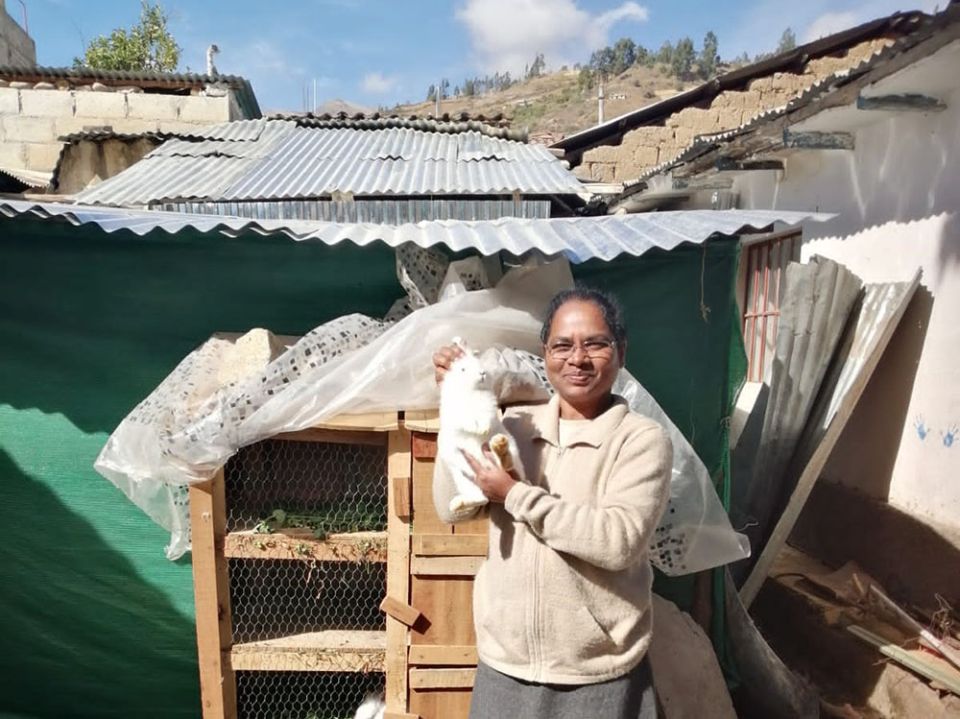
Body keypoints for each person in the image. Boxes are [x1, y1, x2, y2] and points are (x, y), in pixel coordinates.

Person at [432, 287, 673, 719]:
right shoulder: (515, 427)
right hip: (506, 664)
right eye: (562, 345)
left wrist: (515, 495)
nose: (577, 359)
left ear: (620, 351)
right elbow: (449, 508)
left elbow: (618, 541)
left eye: (595, 344)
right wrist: (454, 408)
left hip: (596, 673)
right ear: (545, 353)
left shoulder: (639, 441)